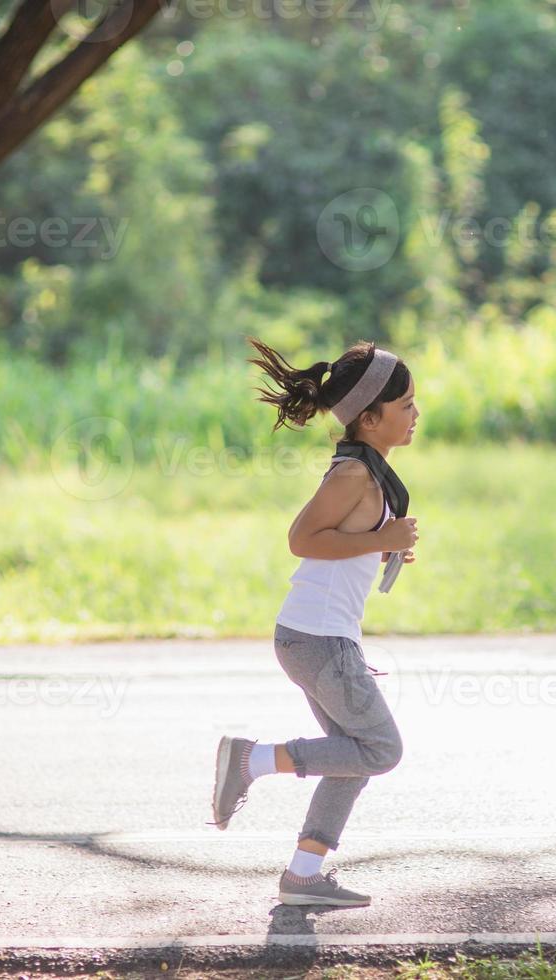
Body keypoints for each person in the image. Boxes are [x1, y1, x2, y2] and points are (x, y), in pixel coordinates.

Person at [207, 338, 420, 909]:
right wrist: (383, 538)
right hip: (318, 639)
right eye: (405, 406)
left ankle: (303, 875)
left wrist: (379, 548)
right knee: (380, 749)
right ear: (369, 418)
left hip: (319, 637)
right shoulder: (354, 476)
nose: (416, 415)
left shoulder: (368, 470)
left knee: (351, 754)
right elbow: (302, 540)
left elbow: (337, 544)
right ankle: (250, 759)